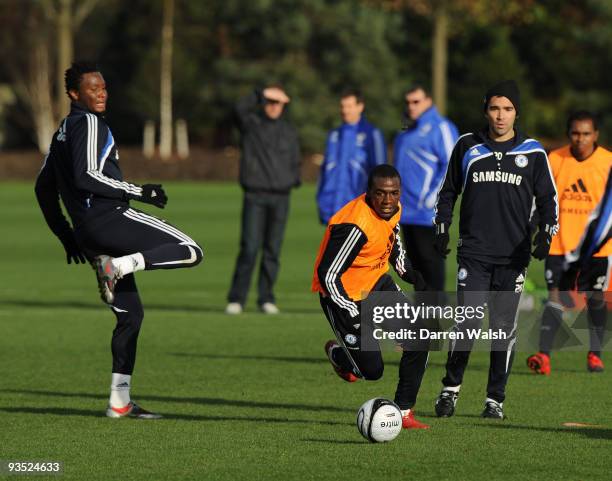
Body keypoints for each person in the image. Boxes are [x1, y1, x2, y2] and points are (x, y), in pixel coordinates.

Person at [34, 61, 203, 419]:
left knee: (130, 316)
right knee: (191, 250)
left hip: (88, 233)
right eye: (93, 89)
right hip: (111, 220)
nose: (101, 94)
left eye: (104, 88)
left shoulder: (63, 131)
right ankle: (120, 264)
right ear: (73, 94)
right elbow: (87, 176)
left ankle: (119, 401)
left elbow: (43, 187)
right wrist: (140, 191)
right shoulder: (91, 123)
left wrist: (67, 235)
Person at [433, 80, 558, 419]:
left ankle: (494, 400)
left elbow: (548, 200)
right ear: (485, 110)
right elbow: (448, 192)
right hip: (473, 253)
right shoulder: (467, 146)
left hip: (513, 257)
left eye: (507, 109)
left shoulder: (533, 152)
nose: (500, 116)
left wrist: (546, 234)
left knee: (503, 329)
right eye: (494, 108)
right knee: (467, 325)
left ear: (516, 112)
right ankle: (450, 390)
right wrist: (442, 227)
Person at [312, 164, 431, 429]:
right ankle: (339, 356)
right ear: (368, 193)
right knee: (371, 371)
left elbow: (392, 241)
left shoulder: (394, 209)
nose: (388, 200)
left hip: (378, 286)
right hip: (344, 298)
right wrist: (353, 314)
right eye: (381, 193)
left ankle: (402, 411)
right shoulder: (354, 226)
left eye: (394, 193)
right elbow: (328, 275)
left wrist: (407, 272)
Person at [527, 113, 610, 374]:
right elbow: (541, 198)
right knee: (556, 298)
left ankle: (594, 354)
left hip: (598, 248)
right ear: (568, 133)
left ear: (595, 135)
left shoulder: (608, 163)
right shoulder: (555, 159)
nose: (580, 139)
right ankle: (544, 355)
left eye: (586, 134)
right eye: (575, 133)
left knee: (596, 300)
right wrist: (535, 230)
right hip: (560, 244)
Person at [225, 85, 301, 315]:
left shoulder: (289, 131)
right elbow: (238, 109)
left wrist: (291, 180)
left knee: (273, 250)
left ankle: (266, 297)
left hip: (281, 197)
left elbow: (295, 160)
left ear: (284, 106)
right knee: (249, 248)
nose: (273, 106)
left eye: (277, 103)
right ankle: (237, 298)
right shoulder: (252, 125)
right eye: (270, 102)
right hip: (255, 195)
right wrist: (261, 93)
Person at [393, 85, 458, 298]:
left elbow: (452, 165)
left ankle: (438, 315)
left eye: (416, 101)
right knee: (414, 268)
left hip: (428, 212)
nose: (411, 106)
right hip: (405, 210)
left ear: (428, 101)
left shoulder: (441, 128)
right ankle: (424, 317)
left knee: (431, 266)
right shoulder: (407, 129)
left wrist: (433, 199)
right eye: (408, 102)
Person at [316, 88, 386, 225]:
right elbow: (325, 172)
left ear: (360, 107)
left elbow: (381, 174)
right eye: (342, 106)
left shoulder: (372, 134)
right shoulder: (333, 135)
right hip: (332, 210)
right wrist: (321, 201)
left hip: (359, 209)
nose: (345, 110)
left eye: (349, 106)